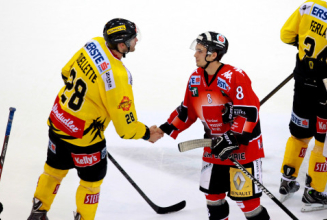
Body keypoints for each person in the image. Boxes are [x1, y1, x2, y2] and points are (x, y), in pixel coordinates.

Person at [27, 18, 163, 220]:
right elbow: (125, 128)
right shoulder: (119, 76)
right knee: (90, 185)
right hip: (85, 140)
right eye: (133, 39)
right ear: (121, 44)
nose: (136, 42)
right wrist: (146, 133)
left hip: (58, 121)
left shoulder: (94, 43)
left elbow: (66, 72)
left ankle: (37, 212)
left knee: (53, 171)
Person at [158, 32, 270, 220]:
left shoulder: (235, 76)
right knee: (213, 199)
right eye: (196, 50)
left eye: (200, 51)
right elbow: (187, 111)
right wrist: (165, 128)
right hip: (214, 149)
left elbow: (250, 112)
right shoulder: (195, 78)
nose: (195, 55)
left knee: (248, 205)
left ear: (213, 54)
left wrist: (233, 138)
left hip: (243, 149)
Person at [278, 0, 327, 212]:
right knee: (323, 141)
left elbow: (286, 35)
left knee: (299, 132)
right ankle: (314, 191)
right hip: (324, 88)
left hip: (303, 81)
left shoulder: (310, 5)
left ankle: (287, 179)